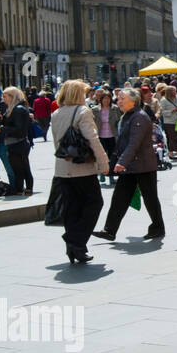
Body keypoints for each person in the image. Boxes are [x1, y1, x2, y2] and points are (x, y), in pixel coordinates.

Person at [50, 79, 111, 264]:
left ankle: (75, 249)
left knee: (72, 208)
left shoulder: (56, 113)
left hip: (62, 168)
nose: (87, 97)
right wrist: (103, 162)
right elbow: (93, 139)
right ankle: (74, 240)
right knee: (95, 203)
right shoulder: (83, 112)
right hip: (82, 168)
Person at [94, 88, 165, 242]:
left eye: (122, 99)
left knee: (150, 198)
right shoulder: (128, 116)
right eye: (118, 98)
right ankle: (109, 230)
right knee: (119, 197)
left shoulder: (139, 117)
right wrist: (114, 163)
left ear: (133, 100)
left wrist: (121, 163)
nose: (118, 101)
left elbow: (134, 144)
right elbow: (122, 143)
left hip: (143, 166)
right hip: (131, 166)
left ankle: (158, 228)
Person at [0, 87, 34, 195]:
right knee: (18, 168)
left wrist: (2, 129)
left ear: (12, 96)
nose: (3, 98)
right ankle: (20, 188)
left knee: (23, 167)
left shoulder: (18, 109)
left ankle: (26, 188)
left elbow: (19, 130)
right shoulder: (12, 108)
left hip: (19, 142)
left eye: (5, 96)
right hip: (13, 142)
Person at [89, 89, 122, 185]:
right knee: (101, 156)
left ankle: (111, 176)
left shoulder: (115, 109)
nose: (106, 100)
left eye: (108, 98)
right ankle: (102, 174)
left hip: (112, 135)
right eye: (105, 99)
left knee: (112, 156)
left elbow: (120, 120)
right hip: (100, 136)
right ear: (101, 99)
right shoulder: (95, 110)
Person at [158, 85, 177, 160]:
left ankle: (170, 153)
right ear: (169, 92)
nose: (175, 92)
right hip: (168, 122)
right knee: (173, 137)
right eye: (173, 91)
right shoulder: (163, 100)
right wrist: (171, 111)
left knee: (171, 137)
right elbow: (162, 112)